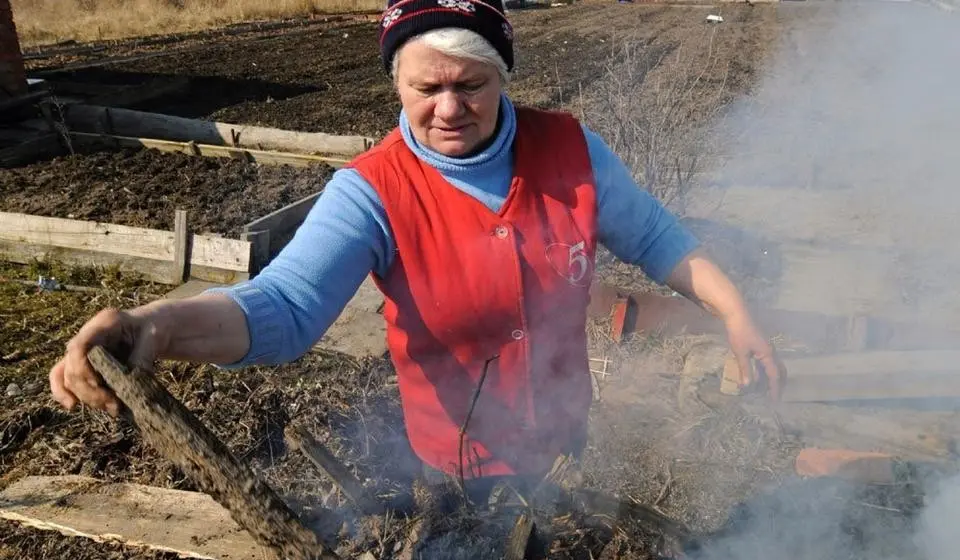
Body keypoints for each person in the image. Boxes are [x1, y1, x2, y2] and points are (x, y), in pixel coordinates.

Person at [49, 0, 782, 494]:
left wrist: (735, 311)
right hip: (458, 469)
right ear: (395, 81)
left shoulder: (570, 150)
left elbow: (656, 238)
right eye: (426, 87)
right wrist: (156, 325)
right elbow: (285, 306)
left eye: (472, 84)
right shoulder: (371, 191)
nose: (449, 108)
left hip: (564, 442)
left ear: (503, 77)